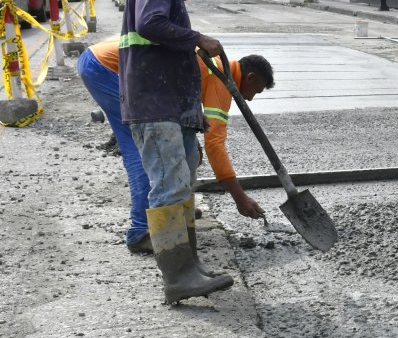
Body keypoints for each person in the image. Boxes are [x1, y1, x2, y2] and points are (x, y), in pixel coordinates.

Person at [119, 0, 236, 304]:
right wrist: (197, 37)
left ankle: (191, 266)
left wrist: (193, 113)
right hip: (154, 106)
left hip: (172, 107)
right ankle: (177, 277)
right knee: (169, 185)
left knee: (183, 182)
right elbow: (150, 24)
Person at [78, 37, 275, 254]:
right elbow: (215, 145)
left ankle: (178, 209)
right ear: (250, 77)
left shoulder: (215, 65)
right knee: (142, 150)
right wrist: (240, 198)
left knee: (185, 151)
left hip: (104, 62)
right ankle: (141, 231)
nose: (251, 99)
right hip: (108, 69)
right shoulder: (220, 76)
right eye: (255, 91)